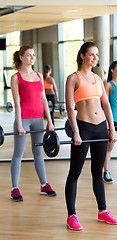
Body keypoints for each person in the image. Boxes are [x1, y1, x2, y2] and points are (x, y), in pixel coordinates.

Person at [65, 42, 117, 231]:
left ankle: (102, 211)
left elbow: (106, 105)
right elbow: (70, 108)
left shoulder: (98, 78)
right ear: (82, 56)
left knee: (97, 172)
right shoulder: (74, 78)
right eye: (91, 55)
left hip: (100, 128)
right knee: (75, 173)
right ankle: (71, 215)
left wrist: (111, 129)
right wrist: (76, 132)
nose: (95, 58)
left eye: (97, 55)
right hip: (84, 127)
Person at [10, 45, 57, 201]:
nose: (32, 58)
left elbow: (43, 99)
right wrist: (19, 125)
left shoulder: (38, 75)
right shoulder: (16, 77)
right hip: (23, 118)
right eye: (29, 55)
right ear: (21, 57)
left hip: (38, 118)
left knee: (38, 152)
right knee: (18, 153)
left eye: (33, 55)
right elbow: (16, 102)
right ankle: (14, 188)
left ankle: (44, 185)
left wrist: (49, 121)